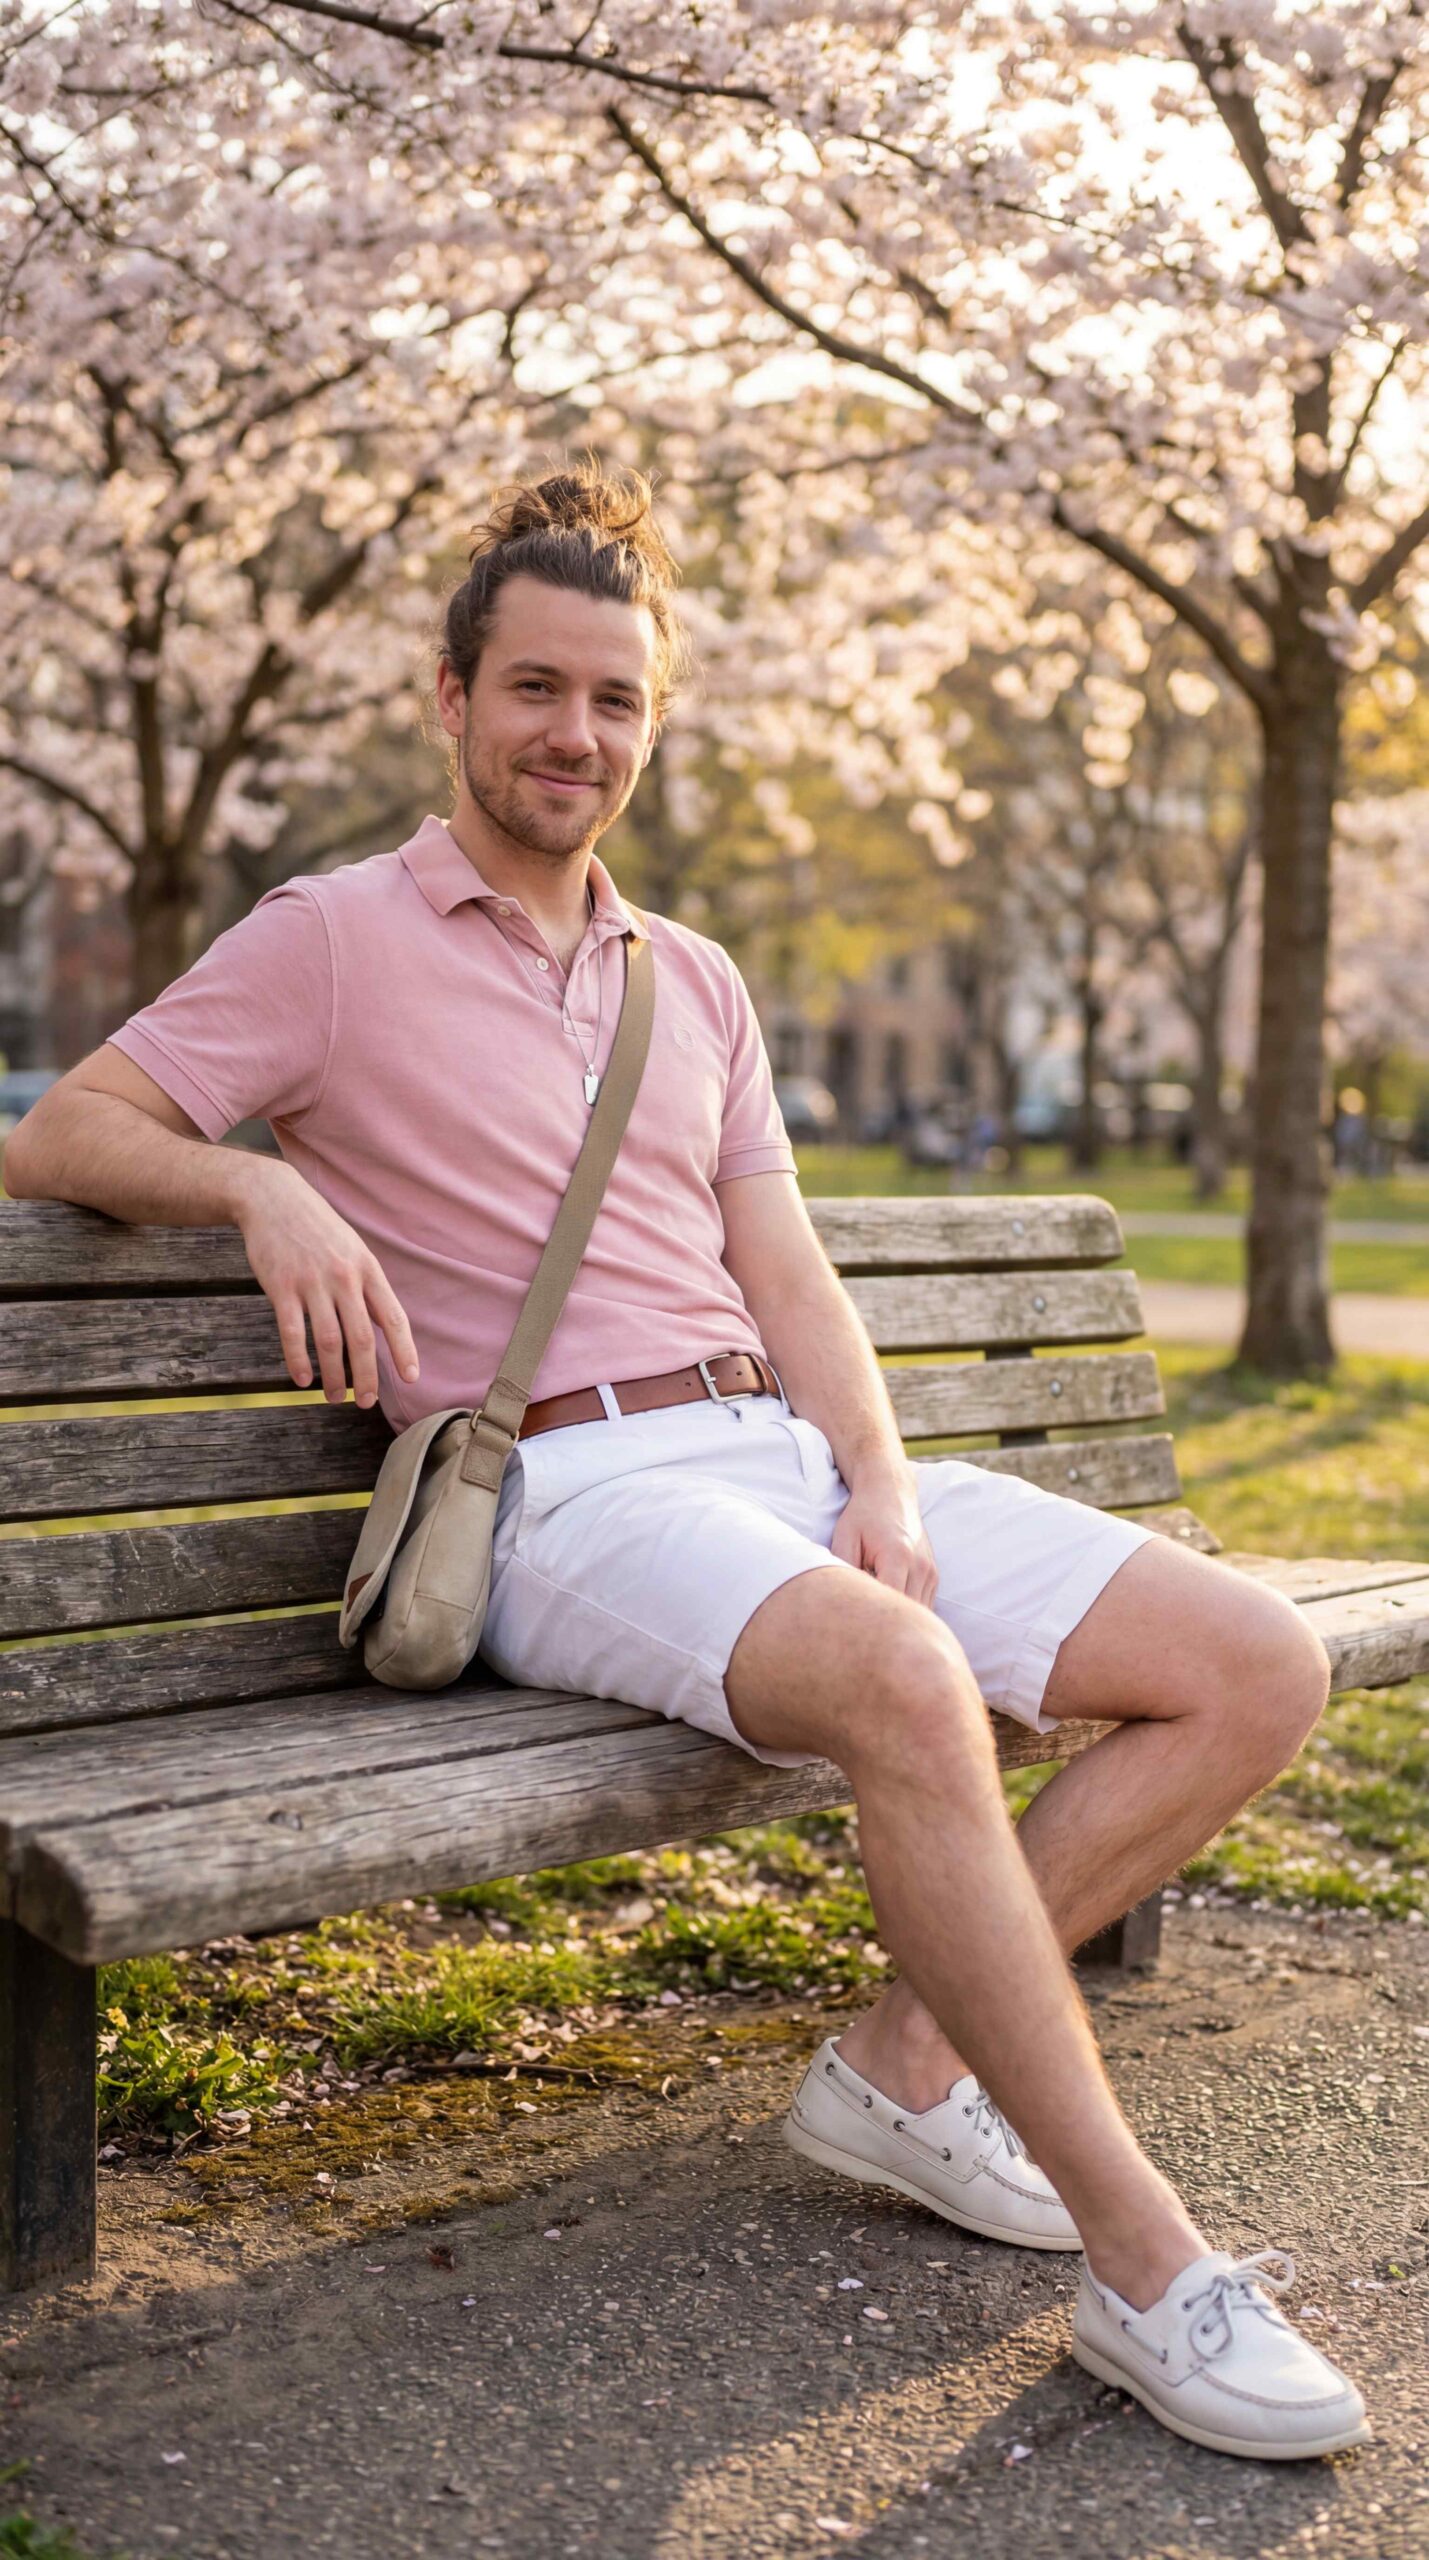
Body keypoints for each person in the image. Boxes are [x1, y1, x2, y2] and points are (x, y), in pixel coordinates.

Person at [3, 462, 1367, 2462]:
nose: (574, 733)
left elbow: (786, 1267)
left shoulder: (691, 976)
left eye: (614, 699)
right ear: (451, 697)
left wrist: (876, 1478)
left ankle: (905, 2063)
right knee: (908, 1682)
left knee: (1256, 1662)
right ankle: (1148, 2262)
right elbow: (63, 1131)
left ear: (650, 722)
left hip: (771, 1457)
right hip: (568, 1495)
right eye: (535, 687)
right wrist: (259, 1189)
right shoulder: (331, 939)